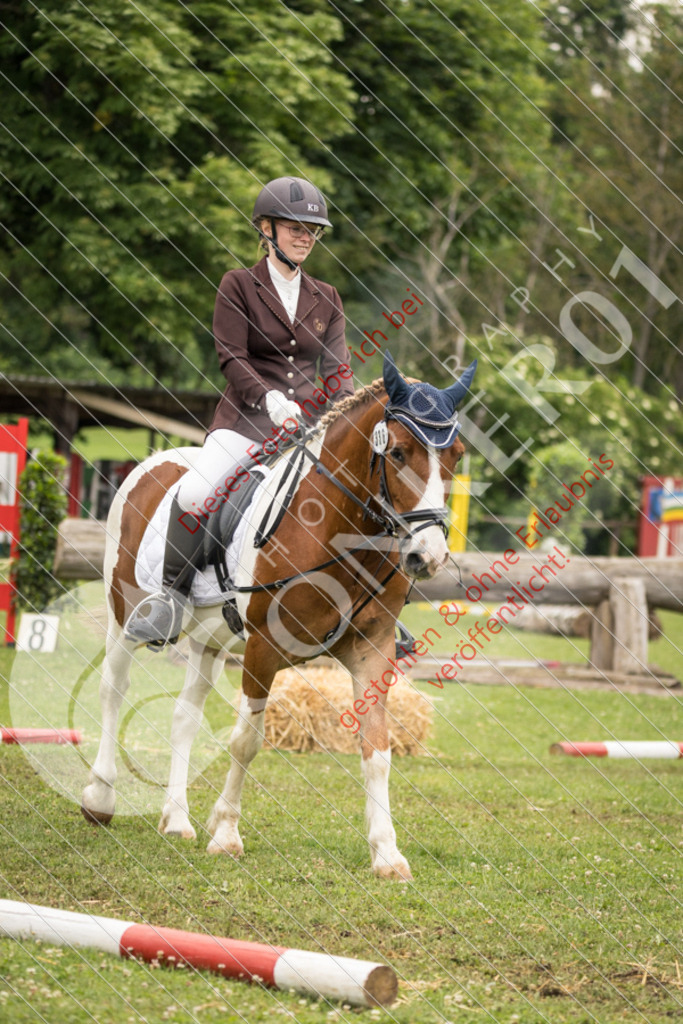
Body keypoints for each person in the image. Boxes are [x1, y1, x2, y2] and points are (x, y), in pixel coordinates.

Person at [125, 176, 354, 648]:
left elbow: (338, 372)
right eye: (295, 227)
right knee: (195, 493)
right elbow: (231, 357)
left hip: (307, 430)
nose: (305, 237)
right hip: (246, 423)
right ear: (266, 229)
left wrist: (346, 413)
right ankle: (171, 597)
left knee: (353, 495)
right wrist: (270, 398)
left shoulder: (327, 296)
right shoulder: (238, 285)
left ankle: (363, 599)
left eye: (313, 230)